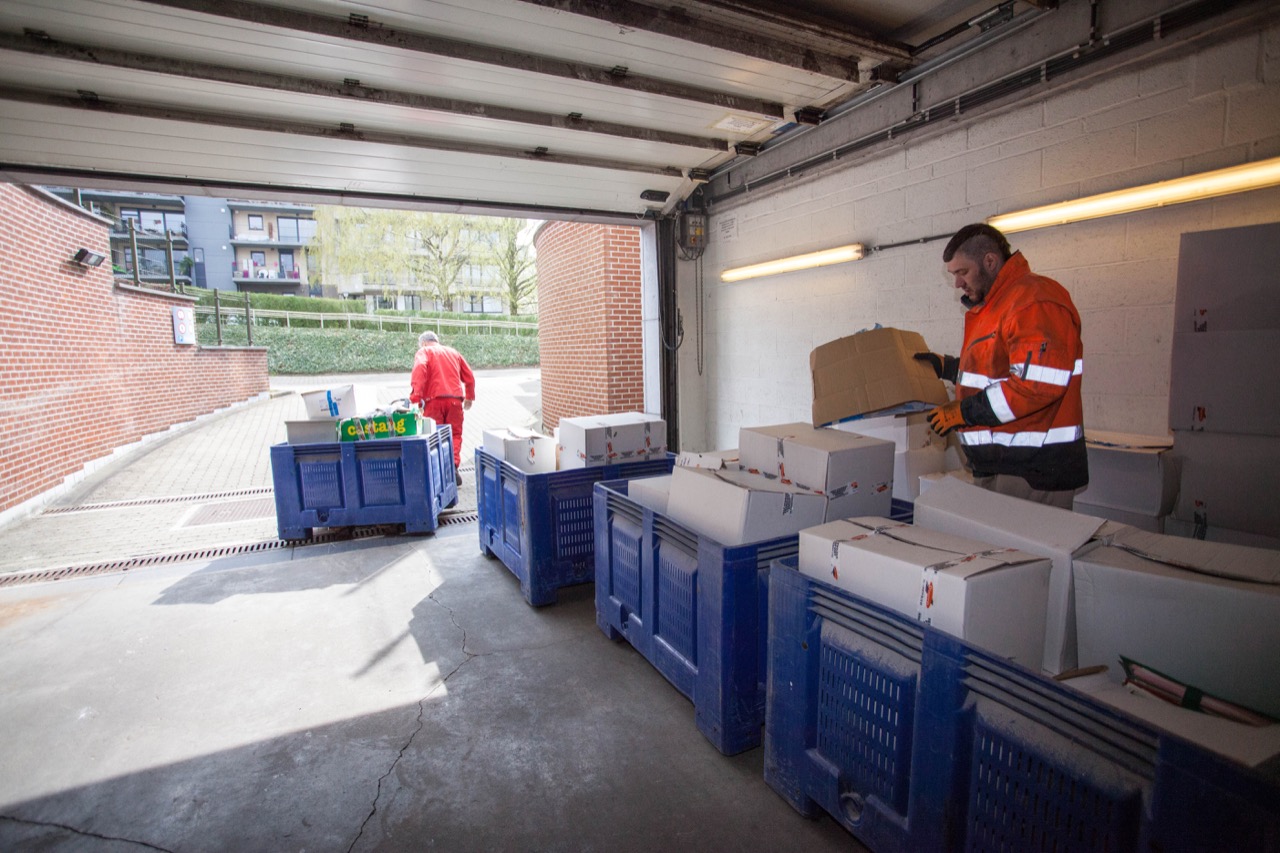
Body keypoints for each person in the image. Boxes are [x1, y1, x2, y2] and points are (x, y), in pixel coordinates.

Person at [916, 223, 1087, 508]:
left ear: (990, 261)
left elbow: (1035, 386)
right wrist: (946, 367)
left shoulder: (1034, 300)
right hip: (1000, 466)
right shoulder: (995, 306)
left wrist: (964, 413)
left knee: (1025, 551)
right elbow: (993, 371)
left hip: (1033, 471)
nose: (957, 283)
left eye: (962, 272)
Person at [409, 331, 475, 484]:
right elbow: (469, 376)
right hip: (455, 401)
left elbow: (419, 370)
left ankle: (438, 472)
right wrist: (469, 397)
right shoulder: (453, 352)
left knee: (434, 437)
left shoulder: (424, 351)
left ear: (424, 343)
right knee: (455, 435)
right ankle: (452, 467)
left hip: (433, 401)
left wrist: (415, 398)